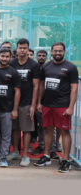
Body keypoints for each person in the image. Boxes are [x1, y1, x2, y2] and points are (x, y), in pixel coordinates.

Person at [35, 42, 78, 173]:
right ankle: (47, 156)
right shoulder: (46, 66)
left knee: (64, 132)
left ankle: (66, 160)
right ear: (51, 52)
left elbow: (74, 88)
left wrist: (71, 107)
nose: (57, 53)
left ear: (64, 52)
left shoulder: (71, 67)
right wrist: (39, 103)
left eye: (60, 51)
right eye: (55, 51)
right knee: (48, 130)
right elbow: (41, 85)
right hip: (47, 104)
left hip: (62, 105)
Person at [8, 38, 40, 167]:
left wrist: (33, 105)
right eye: (20, 47)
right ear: (16, 49)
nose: (22, 50)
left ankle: (25, 155)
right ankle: (15, 151)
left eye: (25, 48)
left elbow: (36, 87)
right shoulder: (11, 63)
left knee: (26, 130)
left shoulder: (34, 65)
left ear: (28, 49)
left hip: (27, 102)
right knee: (15, 128)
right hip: (12, 103)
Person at [31, 50, 59, 159]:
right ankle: (41, 146)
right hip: (40, 102)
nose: (41, 57)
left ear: (47, 56)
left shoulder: (50, 67)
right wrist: (37, 102)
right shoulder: (35, 68)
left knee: (51, 127)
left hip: (53, 102)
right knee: (41, 126)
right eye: (39, 55)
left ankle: (52, 150)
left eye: (43, 56)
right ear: (36, 57)